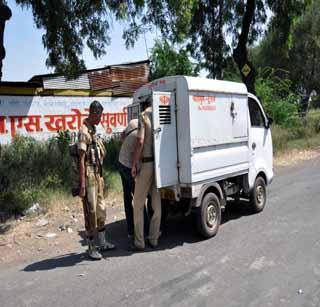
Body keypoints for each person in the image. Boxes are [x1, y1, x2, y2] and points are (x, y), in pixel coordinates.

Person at [78, 100, 115, 260]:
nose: (101, 118)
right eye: (100, 115)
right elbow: (81, 159)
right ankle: (92, 247)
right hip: (89, 176)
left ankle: (103, 242)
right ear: (93, 113)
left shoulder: (93, 129)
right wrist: (83, 184)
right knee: (91, 212)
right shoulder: (83, 131)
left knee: (101, 209)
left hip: (97, 175)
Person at [131, 100, 162, 250]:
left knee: (137, 204)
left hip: (147, 164)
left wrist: (134, 163)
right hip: (160, 166)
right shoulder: (159, 115)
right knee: (156, 204)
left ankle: (139, 242)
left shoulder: (143, 117)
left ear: (143, 105)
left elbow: (140, 140)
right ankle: (154, 238)